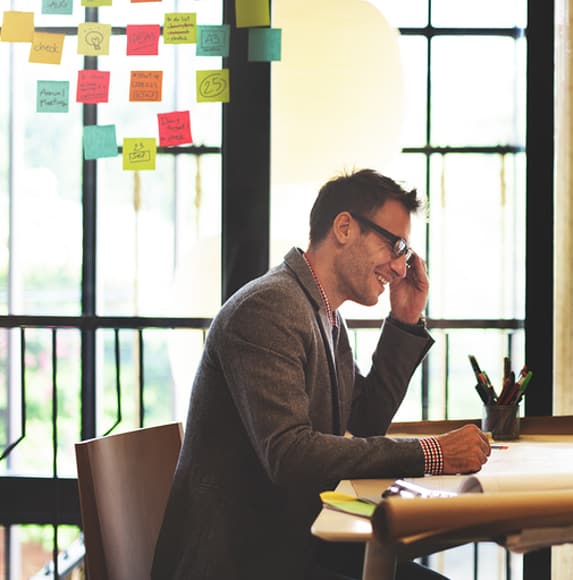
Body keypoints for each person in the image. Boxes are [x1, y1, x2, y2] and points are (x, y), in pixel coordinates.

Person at [152, 169, 491, 580]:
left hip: (293, 547)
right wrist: (431, 453)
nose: (401, 268)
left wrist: (404, 320)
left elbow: (363, 421)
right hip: (241, 563)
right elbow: (290, 454)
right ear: (345, 227)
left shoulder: (324, 314)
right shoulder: (268, 308)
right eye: (396, 245)